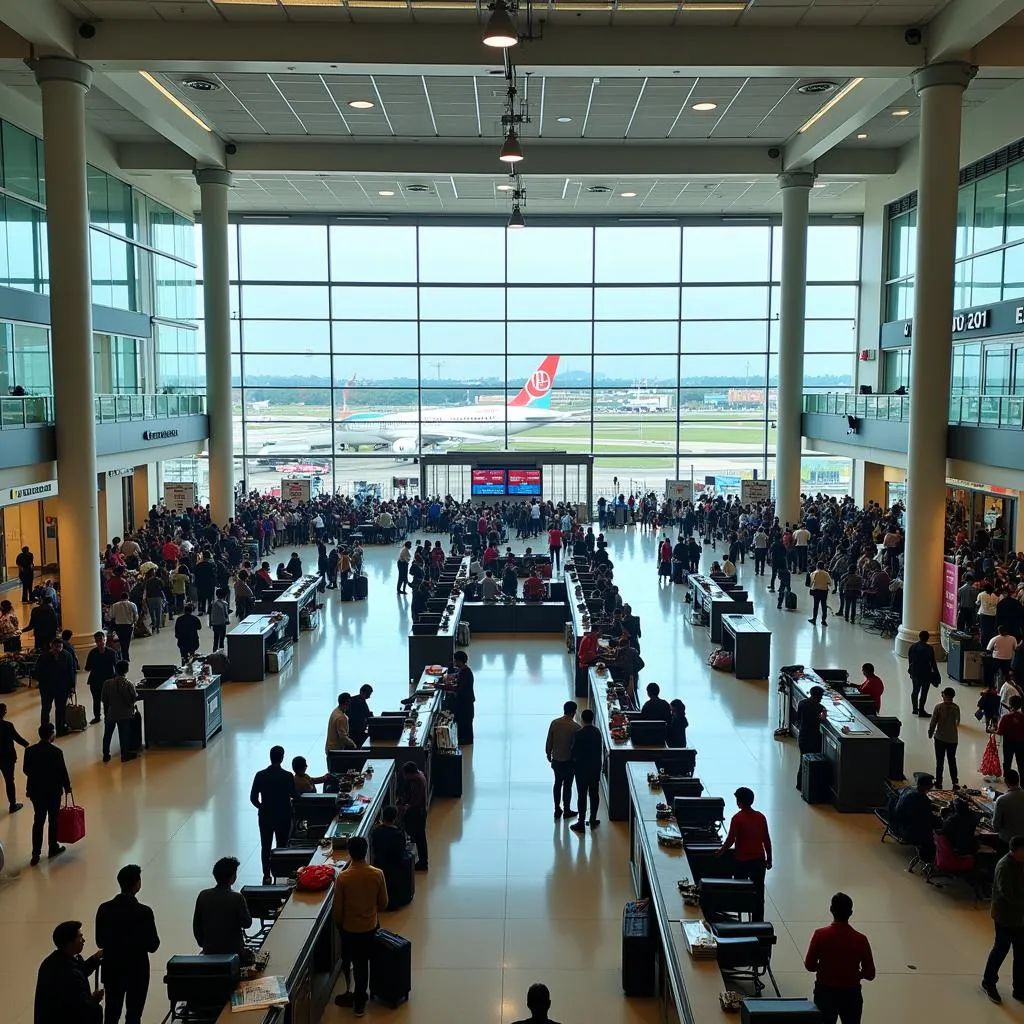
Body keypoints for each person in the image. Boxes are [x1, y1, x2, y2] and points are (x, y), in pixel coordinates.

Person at [95, 864, 161, 1024]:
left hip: (112, 969)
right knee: (133, 1015)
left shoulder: (104, 909)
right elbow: (153, 945)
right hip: (137, 970)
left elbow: (100, 941)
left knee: (111, 1013)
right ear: (137, 883)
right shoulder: (144, 912)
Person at [331, 835, 388, 1018]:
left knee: (350, 961)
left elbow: (338, 909)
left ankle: (353, 995)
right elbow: (384, 903)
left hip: (350, 929)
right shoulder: (377, 874)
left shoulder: (343, 878)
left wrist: (340, 924)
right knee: (364, 963)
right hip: (370, 927)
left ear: (350, 853)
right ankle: (360, 1000)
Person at [804, 892, 875, 1024]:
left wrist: (825, 968)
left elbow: (809, 965)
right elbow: (870, 974)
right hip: (851, 994)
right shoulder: (861, 939)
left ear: (831, 910)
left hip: (824, 992)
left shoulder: (820, 935)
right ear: (851, 912)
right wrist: (857, 974)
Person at [33, 920, 103, 1024]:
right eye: (79, 937)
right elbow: (81, 1009)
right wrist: (94, 1001)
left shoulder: (52, 962)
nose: (83, 940)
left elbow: (80, 970)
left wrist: (95, 958)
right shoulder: (68, 974)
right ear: (69, 943)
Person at [982, 836, 1024, 1004]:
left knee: (1021, 954)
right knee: (1001, 949)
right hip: (1005, 916)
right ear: (1016, 850)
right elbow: (1007, 894)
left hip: (1020, 918)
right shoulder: (1004, 866)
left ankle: (1019, 988)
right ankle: (988, 982)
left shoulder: (1021, 864)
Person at [720, 786, 772, 921]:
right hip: (759, 861)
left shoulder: (737, 818)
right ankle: (758, 923)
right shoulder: (761, 817)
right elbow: (766, 839)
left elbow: (730, 840)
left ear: (740, 801)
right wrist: (769, 859)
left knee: (739, 891)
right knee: (759, 894)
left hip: (742, 862)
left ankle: (739, 919)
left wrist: (721, 851)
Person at [23, 722, 71, 865]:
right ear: (51, 734)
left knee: (38, 821)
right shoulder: (56, 752)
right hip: (53, 791)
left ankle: (35, 854)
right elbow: (63, 772)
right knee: (53, 820)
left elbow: (26, 770)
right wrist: (67, 787)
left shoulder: (30, 751)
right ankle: (52, 847)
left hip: (36, 792)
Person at [192, 856, 254, 964]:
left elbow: (196, 925)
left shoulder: (203, 895)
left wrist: (204, 945)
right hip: (234, 953)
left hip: (209, 951)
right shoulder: (237, 898)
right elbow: (247, 923)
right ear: (233, 877)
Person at [250, 745, 296, 884]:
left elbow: (253, 798)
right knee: (281, 845)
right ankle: (280, 874)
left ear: (270, 757)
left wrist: (262, 807)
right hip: (283, 815)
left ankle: (266, 874)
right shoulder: (287, 776)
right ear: (282, 758)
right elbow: (293, 795)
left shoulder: (260, 775)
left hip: (266, 816)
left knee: (266, 845)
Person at [893, 773, 940, 865]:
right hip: (911, 832)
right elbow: (928, 820)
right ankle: (932, 859)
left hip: (900, 826)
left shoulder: (909, 790)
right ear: (926, 785)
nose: (932, 786)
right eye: (931, 784)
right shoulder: (920, 798)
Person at [34, 636, 76, 735]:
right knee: (46, 709)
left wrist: (72, 686)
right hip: (47, 688)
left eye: (60, 647)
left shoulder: (67, 656)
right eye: (55, 647)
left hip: (62, 688)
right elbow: (38, 672)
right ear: (51, 646)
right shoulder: (44, 656)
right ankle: (45, 730)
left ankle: (60, 728)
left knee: (61, 709)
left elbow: (71, 672)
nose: (57, 649)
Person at [546, 700, 580, 820]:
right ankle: (566, 809)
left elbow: (549, 740)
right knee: (567, 786)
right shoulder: (576, 727)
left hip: (557, 760)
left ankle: (556, 808)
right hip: (569, 762)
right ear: (574, 712)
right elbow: (577, 747)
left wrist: (548, 753)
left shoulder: (555, 723)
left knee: (557, 783)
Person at [570, 707, 602, 832]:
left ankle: (581, 822)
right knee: (594, 794)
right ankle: (593, 819)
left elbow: (574, 752)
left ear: (582, 719)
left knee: (582, 796)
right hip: (594, 769)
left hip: (581, 770)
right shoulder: (597, 732)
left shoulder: (579, 733)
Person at [101, 662, 139, 764]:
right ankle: (124, 754)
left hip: (111, 713)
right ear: (126, 670)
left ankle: (105, 754)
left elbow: (104, 699)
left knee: (107, 734)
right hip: (125, 714)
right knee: (124, 734)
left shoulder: (107, 683)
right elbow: (132, 699)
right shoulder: (128, 684)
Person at [397, 760, 428, 870]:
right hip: (421, 811)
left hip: (417, 813)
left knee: (420, 838)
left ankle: (423, 863)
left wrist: (405, 807)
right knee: (419, 837)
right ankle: (421, 860)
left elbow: (415, 800)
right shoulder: (420, 775)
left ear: (409, 773)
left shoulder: (416, 781)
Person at [928, 687, 961, 789]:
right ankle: (955, 782)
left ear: (945, 696)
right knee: (952, 760)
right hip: (953, 739)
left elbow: (933, 722)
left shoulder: (938, 707)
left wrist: (930, 732)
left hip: (940, 738)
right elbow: (958, 721)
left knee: (940, 761)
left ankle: (939, 782)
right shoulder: (956, 708)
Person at [795, 685, 826, 790]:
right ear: (817, 696)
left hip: (803, 736)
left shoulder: (802, 703)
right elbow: (822, 721)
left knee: (803, 760)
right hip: (813, 738)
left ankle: (800, 784)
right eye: (821, 697)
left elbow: (798, 718)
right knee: (811, 762)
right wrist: (824, 712)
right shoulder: (818, 707)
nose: (821, 699)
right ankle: (808, 785)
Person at [84, 632, 118, 725]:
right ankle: (100, 716)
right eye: (98, 641)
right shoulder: (111, 652)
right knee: (97, 700)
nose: (100, 643)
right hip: (98, 680)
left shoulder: (95, 653)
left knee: (104, 700)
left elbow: (87, 668)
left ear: (105, 640)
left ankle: (104, 716)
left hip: (104, 680)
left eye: (101, 640)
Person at [0, 701, 28, 812]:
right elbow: (17, 738)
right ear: (4, 713)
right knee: (9, 781)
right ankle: (12, 805)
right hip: (7, 757)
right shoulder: (7, 726)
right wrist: (28, 745)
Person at [907, 629, 940, 717]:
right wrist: (937, 674)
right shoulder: (929, 648)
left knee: (915, 690)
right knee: (924, 692)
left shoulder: (912, 646)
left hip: (915, 672)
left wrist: (910, 670)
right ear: (927, 638)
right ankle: (921, 710)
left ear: (919, 637)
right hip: (925, 673)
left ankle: (914, 709)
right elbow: (933, 663)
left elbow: (910, 660)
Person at [449, 650, 475, 744]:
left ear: (460, 661)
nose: (454, 662)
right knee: (462, 721)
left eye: (455, 661)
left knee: (465, 722)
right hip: (464, 702)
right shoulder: (463, 670)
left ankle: (466, 740)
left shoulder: (466, 673)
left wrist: (445, 687)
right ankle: (462, 738)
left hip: (465, 703)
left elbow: (459, 689)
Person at [994, 770, 1024, 845]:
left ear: (1006, 781)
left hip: (1007, 841)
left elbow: (996, 827)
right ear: (1018, 780)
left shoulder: (1001, 800)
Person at [998, 696, 1024, 779]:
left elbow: (1000, 732)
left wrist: (991, 730)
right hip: (1021, 743)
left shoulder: (1006, 717)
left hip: (1008, 743)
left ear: (1010, 704)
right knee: (1021, 762)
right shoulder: (1023, 717)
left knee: (1007, 762)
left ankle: (1008, 779)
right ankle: (1022, 780)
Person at [109, 593, 139, 662]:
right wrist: (134, 622)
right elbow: (136, 615)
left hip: (119, 626)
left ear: (121, 598)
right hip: (129, 625)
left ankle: (123, 656)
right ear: (128, 597)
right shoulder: (132, 604)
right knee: (127, 641)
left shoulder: (115, 605)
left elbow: (111, 616)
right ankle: (126, 656)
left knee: (122, 641)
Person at [808, 561, 833, 626]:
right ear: (823, 566)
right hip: (824, 591)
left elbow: (811, 584)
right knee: (824, 606)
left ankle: (814, 619)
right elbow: (830, 583)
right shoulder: (826, 574)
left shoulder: (814, 573)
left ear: (817, 566)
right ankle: (823, 620)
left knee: (815, 605)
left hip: (816, 591)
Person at [209, 587, 231, 651]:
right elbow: (226, 614)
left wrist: (210, 623)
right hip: (222, 623)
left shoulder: (212, 603)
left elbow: (210, 613)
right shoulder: (225, 604)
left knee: (215, 639)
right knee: (222, 639)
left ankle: (214, 652)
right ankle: (221, 653)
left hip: (215, 624)